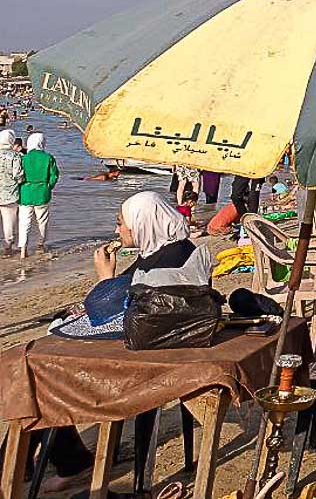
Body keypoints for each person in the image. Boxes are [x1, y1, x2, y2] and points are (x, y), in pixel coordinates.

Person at [35, 192, 213, 494]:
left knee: (40, 373)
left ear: (142, 223)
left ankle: (67, 462)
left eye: (121, 224)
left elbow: (106, 305)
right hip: (162, 343)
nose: (118, 231)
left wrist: (104, 276)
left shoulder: (162, 260)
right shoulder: (176, 249)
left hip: (145, 356)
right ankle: (50, 458)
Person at [17, 132, 57, 257]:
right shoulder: (48, 157)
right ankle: (40, 244)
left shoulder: (23, 158)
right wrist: (48, 186)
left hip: (25, 192)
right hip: (42, 192)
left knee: (24, 222)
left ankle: (23, 250)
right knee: (42, 220)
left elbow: (19, 175)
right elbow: (54, 176)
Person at [0, 130, 21, 257]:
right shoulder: (15, 156)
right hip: (9, 195)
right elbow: (17, 175)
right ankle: (8, 247)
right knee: (8, 222)